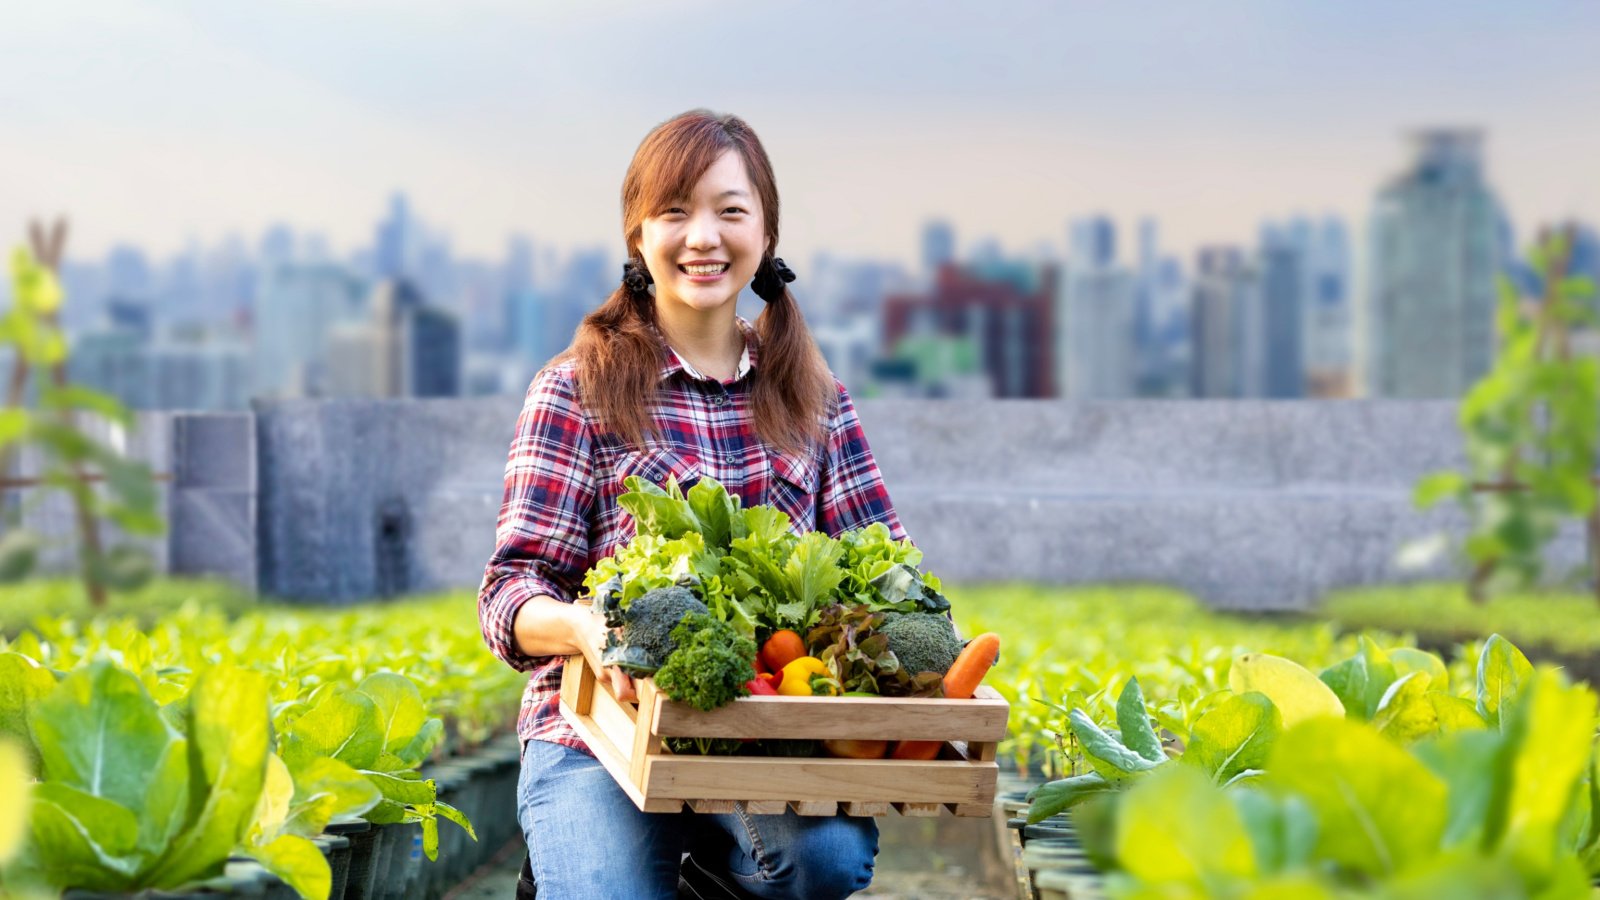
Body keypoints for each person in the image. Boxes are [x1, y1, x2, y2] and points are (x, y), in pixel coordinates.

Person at [477, 109, 911, 900]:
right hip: (595, 737)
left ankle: (706, 877)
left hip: (762, 738)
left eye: (730, 211)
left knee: (827, 860)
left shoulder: (817, 399)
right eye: (675, 212)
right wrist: (586, 628)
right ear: (638, 235)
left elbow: (884, 566)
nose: (703, 237)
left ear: (766, 234)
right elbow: (509, 594)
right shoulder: (575, 388)